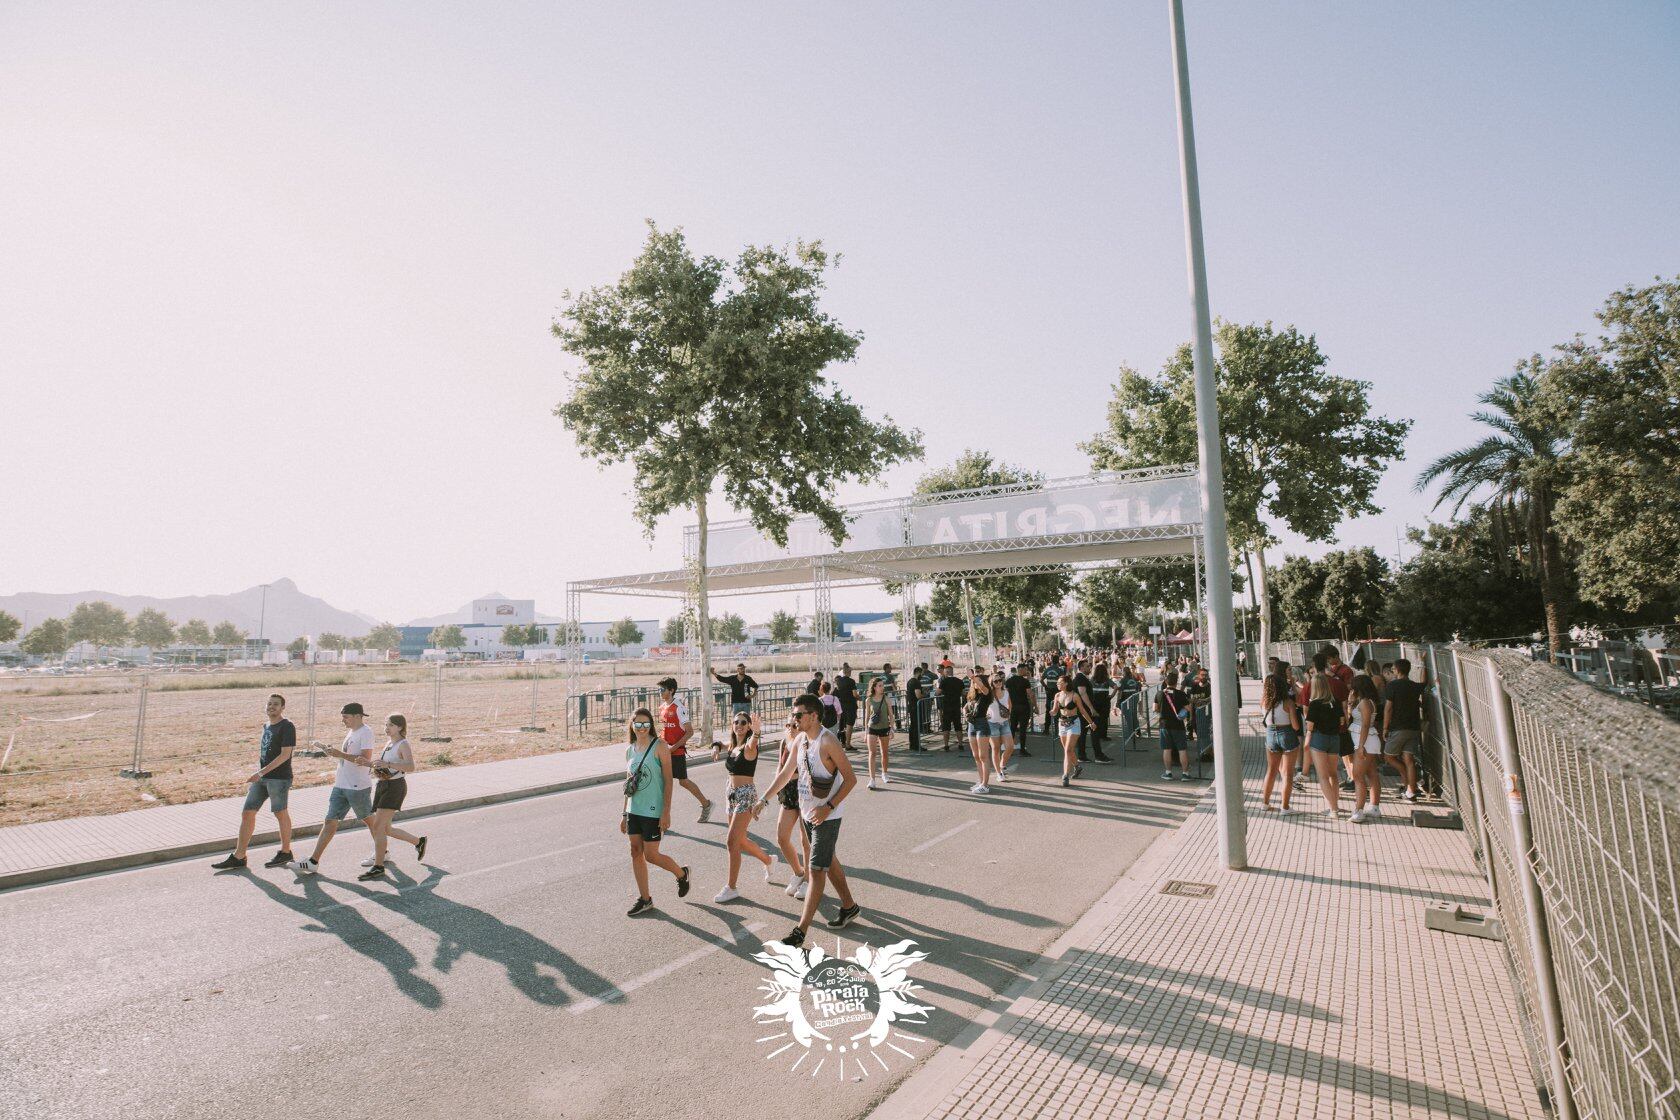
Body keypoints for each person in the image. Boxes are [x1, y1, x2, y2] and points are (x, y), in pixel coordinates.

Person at [758, 695, 860, 948]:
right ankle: (849, 906)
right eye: (794, 714)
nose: (794, 719)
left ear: (814, 716)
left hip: (827, 815)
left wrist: (828, 808)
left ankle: (800, 931)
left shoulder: (828, 742)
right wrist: (763, 799)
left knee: (815, 870)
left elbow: (851, 779)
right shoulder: (801, 740)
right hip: (807, 813)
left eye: (799, 715)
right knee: (828, 860)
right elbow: (785, 773)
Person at [287, 703, 377, 875]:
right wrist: (333, 752)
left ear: (358, 716)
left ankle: (382, 852)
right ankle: (313, 861)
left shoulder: (366, 732)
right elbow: (347, 757)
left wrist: (340, 754)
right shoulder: (352, 731)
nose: (343, 720)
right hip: (341, 785)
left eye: (346, 717)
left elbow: (365, 759)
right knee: (330, 821)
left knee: (369, 820)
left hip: (357, 787)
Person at [211, 693, 297, 871]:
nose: (271, 707)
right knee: (248, 812)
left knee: (280, 813)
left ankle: (286, 851)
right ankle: (239, 856)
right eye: (269, 704)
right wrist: (261, 774)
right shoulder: (266, 726)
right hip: (263, 778)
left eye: (276, 704)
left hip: (279, 778)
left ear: (282, 708)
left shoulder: (287, 726)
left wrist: (261, 772)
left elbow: (285, 754)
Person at [621, 707, 689, 916]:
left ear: (651, 724)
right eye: (637, 724)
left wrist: (666, 812)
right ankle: (645, 899)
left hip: (652, 809)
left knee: (651, 855)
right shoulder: (630, 750)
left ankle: (681, 874)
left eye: (645, 724)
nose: (642, 728)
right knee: (635, 852)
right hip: (634, 809)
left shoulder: (660, 746)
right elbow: (629, 783)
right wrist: (624, 813)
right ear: (632, 726)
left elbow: (668, 781)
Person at [712, 712, 776, 902]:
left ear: (748, 726)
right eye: (735, 722)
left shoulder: (749, 747)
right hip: (730, 794)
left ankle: (731, 887)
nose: (738, 725)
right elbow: (722, 744)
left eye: (743, 723)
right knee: (740, 840)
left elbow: (752, 744)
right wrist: (716, 747)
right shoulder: (734, 746)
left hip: (746, 796)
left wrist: (756, 733)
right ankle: (769, 860)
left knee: (732, 841)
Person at [359, 714, 427, 881]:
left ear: (400, 727)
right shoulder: (389, 743)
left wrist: (388, 764)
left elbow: (410, 767)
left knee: (378, 826)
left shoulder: (403, 744)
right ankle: (418, 842)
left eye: (390, 725)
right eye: (385, 724)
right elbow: (384, 765)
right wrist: (369, 764)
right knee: (386, 829)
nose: (386, 727)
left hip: (395, 788)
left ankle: (378, 866)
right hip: (383, 785)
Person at [757, 713, 811, 901]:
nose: (790, 729)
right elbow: (780, 773)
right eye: (787, 725)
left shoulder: (806, 745)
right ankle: (798, 871)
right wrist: (765, 798)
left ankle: (808, 880)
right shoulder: (783, 743)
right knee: (782, 837)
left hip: (805, 792)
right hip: (788, 793)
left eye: (794, 726)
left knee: (806, 841)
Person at [656, 677, 713, 824]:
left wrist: (673, 748)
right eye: (659, 689)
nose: (660, 692)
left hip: (676, 752)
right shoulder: (662, 708)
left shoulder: (679, 708)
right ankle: (660, 817)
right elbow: (664, 729)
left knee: (683, 782)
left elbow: (689, 731)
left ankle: (706, 804)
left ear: (671, 690)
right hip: (664, 752)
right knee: (661, 782)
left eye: (662, 689)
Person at [1381, 658, 1427, 801]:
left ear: (1398, 670)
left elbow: (1388, 708)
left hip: (1398, 727)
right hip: (1413, 727)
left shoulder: (1392, 686)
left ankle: (1409, 780)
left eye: (1393, 669)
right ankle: (1411, 790)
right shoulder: (1414, 686)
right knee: (1409, 759)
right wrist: (1424, 664)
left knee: (1388, 756)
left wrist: (1385, 727)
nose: (1392, 671)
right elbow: (1424, 683)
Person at [1303, 674, 1346, 817]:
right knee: (1333, 774)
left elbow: (1310, 726)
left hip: (1319, 739)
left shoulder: (1315, 704)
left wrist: (1307, 739)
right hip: (1334, 739)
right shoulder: (1336, 702)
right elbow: (1342, 721)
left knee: (1322, 776)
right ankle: (1335, 804)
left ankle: (1333, 809)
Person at [1259, 667, 1300, 812]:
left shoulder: (1264, 702)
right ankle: (1285, 807)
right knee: (1288, 774)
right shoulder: (1287, 703)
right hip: (1287, 734)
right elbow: (1295, 726)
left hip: (1270, 734)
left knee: (1271, 771)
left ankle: (1265, 803)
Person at [1347, 674, 1383, 822]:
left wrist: (1361, 746)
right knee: (1371, 773)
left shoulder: (1365, 703)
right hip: (1367, 741)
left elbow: (1366, 724)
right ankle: (1374, 806)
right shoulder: (1365, 702)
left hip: (1364, 742)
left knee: (1357, 776)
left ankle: (1359, 810)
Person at [1051, 675, 1093, 787]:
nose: (1057, 684)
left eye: (1059, 682)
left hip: (1074, 723)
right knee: (1068, 750)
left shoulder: (1075, 696)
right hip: (1062, 724)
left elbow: (1082, 711)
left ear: (1066, 683)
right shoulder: (1057, 695)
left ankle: (1065, 775)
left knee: (1068, 750)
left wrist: (1091, 722)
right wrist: (1052, 712)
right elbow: (1055, 710)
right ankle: (1077, 767)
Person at [963, 669, 996, 793]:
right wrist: (965, 713)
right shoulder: (972, 696)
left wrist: (972, 677)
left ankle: (985, 785)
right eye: (973, 682)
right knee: (976, 756)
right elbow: (965, 707)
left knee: (983, 756)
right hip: (972, 724)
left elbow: (982, 686)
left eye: (977, 681)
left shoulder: (986, 694)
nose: (975, 684)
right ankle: (981, 781)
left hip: (982, 724)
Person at [1155, 672, 1192, 781]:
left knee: (1167, 749)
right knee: (1182, 749)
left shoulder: (1159, 694)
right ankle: (1185, 774)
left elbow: (1155, 708)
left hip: (1164, 725)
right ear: (1176, 683)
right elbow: (1189, 708)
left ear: (1166, 682)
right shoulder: (1181, 694)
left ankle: (1168, 773)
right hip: (1178, 725)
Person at [862, 676, 894, 790]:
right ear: (874, 687)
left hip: (885, 727)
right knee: (872, 753)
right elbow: (866, 717)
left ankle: (884, 773)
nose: (882, 687)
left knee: (884, 752)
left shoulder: (886, 698)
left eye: (882, 685)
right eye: (880, 686)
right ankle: (872, 779)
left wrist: (892, 729)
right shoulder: (868, 700)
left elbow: (891, 714)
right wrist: (865, 732)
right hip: (872, 728)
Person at [988, 671, 1016, 781]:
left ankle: (1002, 764)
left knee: (1010, 747)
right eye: (995, 681)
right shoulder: (989, 694)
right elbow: (982, 704)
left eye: (1000, 680)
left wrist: (1008, 714)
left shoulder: (1006, 692)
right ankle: (999, 773)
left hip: (1004, 723)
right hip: (992, 724)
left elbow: (1010, 704)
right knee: (995, 749)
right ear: (991, 683)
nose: (998, 682)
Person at [1004, 663, 1036, 756]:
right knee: (1022, 729)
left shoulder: (1009, 681)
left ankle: (1009, 750)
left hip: (1013, 707)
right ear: (1021, 669)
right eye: (1025, 669)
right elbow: (1031, 694)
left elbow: (1006, 694)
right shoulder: (1025, 681)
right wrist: (1035, 706)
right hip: (1023, 707)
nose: (1026, 671)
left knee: (1012, 729)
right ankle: (1022, 750)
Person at [936, 663, 965, 750]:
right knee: (958, 726)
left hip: (947, 706)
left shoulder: (943, 681)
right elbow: (963, 693)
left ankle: (946, 745)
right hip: (956, 706)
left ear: (946, 672)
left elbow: (937, 693)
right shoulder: (960, 681)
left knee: (946, 727)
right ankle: (960, 744)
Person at [1188, 667, 1214, 762]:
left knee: (1207, 734)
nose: (1204, 677)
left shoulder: (1210, 687)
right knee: (1199, 734)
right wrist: (1190, 717)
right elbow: (1191, 701)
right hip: (1196, 715)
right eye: (1202, 675)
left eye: (1206, 675)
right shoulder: (1194, 686)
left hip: (1207, 715)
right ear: (1198, 675)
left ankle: (1207, 754)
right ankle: (1202, 752)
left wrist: (1200, 701)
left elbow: (1210, 699)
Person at [832, 663, 859, 749]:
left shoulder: (839, 681)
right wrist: (859, 698)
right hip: (850, 705)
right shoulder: (851, 681)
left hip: (841, 705)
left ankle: (842, 743)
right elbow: (854, 694)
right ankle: (848, 744)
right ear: (849, 672)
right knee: (849, 725)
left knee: (842, 724)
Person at [1116, 666, 1143, 751]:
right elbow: (1139, 686)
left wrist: (1117, 701)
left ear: (1124, 672)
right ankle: (1137, 730)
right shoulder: (1134, 679)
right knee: (1134, 714)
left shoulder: (1122, 680)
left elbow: (1119, 691)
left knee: (1128, 716)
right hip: (1134, 699)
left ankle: (1131, 732)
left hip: (1126, 700)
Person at [902, 666, 925, 752]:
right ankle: (916, 745)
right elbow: (918, 695)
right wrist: (925, 695)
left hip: (911, 705)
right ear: (918, 673)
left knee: (913, 726)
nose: (922, 676)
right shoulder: (916, 682)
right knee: (916, 726)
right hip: (916, 706)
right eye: (921, 674)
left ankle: (912, 744)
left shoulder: (909, 681)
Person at [1040, 658, 1064, 736]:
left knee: (1048, 709)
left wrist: (1046, 687)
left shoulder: (1048, 669)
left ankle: (1046, 729)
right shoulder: (1059, 670)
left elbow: (1041, 679)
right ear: (1058, 662)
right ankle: (1058, 730)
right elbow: (1063, 680)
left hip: (1049, 691)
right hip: (1057, 691)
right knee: (1058, 709)